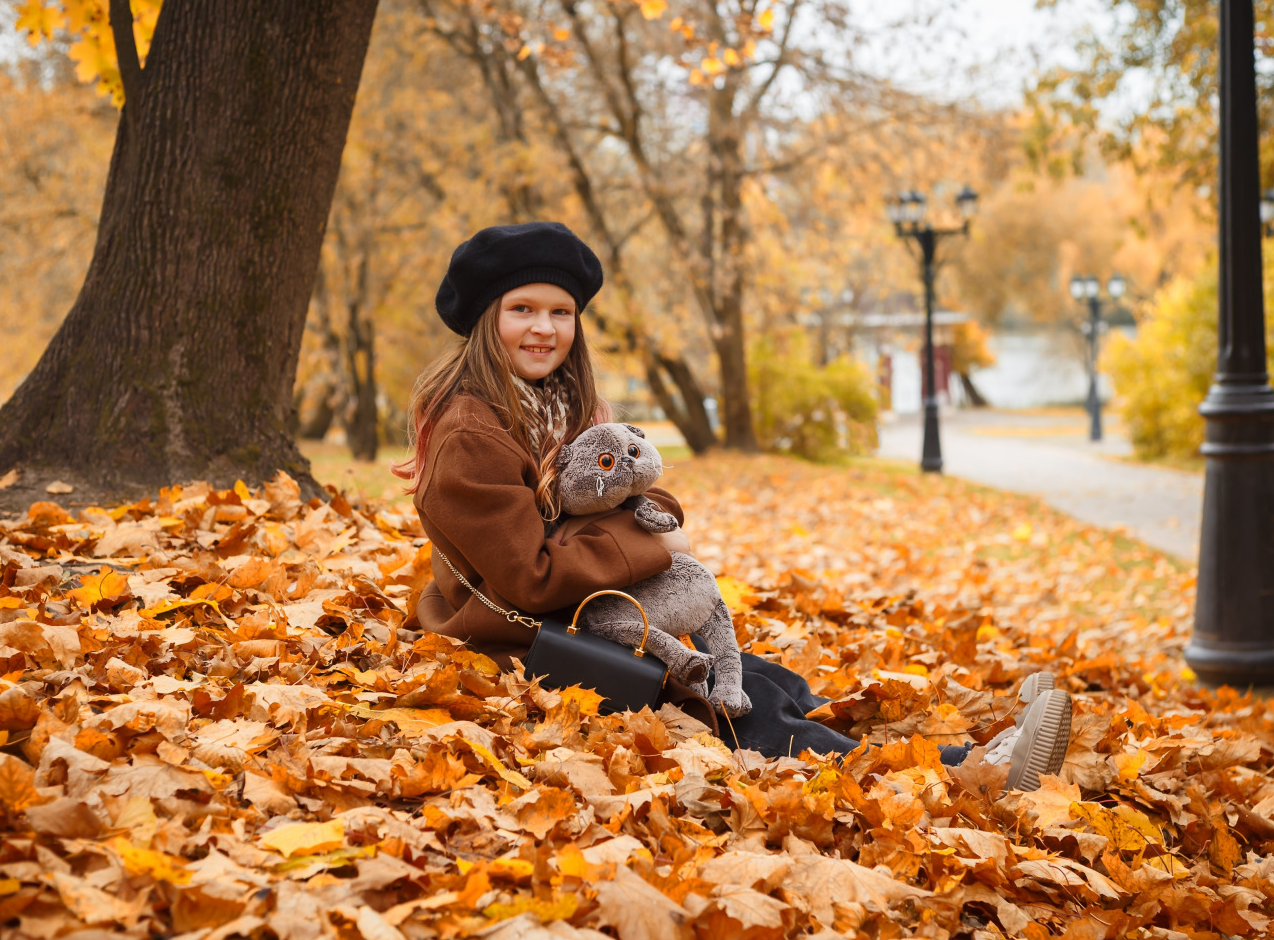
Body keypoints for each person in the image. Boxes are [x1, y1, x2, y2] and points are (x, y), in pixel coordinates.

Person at [397, 221, 1073, 790]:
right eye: (522, 310)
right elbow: (528, 578)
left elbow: (635, 485)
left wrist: (639, 515)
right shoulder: (470, 429)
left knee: (763, 678)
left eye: (560, 312)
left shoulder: (561, 407)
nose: (543, 329)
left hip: (585, 615)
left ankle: (948, 747)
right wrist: (655, 547)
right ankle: (964, 777)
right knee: (726, 709)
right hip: (521, 645)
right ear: (488, 320)